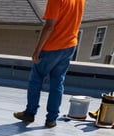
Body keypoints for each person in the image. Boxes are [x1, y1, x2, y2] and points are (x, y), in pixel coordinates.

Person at [13, 0, 85, 128]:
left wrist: (37, 50)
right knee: (57, 81)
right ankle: (51, 119)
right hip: (69, 45)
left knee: (36, 80)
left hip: (52, 47)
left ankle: (30, 113)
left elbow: (49, 26)